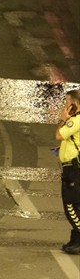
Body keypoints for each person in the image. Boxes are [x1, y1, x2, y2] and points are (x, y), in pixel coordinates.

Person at [56, 89, 80, 255]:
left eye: (67, 102)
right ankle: (76, 240)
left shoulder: (75, 120)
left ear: (74, 104)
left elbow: (59, 135)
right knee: (76, 205)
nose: (65, 106)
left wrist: (63, 119)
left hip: (74, 169)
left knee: (71, 206)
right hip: (72, 168)